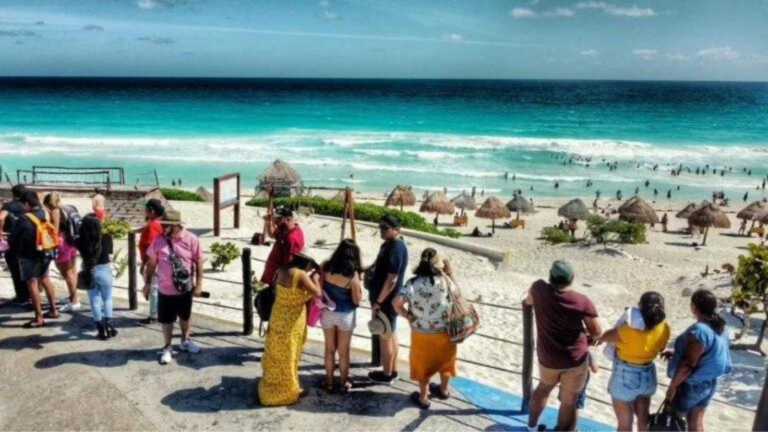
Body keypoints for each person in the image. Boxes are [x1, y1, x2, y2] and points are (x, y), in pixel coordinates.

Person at [523, 260, 602, 432]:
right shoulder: (582, 301)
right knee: (569, 400)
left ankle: (531, 427)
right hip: (575, 359)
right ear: (572, 278)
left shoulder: (538, 288)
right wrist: (589, 338)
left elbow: (528, 299)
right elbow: (596, 331)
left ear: (550, 275)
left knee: (543, 388)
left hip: (548, 356)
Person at [393, 248, 457, 410]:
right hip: (444, 331)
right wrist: (450, 274)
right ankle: (443, 390)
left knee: (423, 364)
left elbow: (396, 303)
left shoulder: (413, 283)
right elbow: (458, 295)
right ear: (438, 265)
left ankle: (423, 397)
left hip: (421, 332)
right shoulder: (446, 281)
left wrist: (407, 315)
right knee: (446, 362)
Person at [662, 289, 731, 432]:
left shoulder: (700, 330)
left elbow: (687, 365)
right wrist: (676, 353)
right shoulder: (721, 327)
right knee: (696, 424)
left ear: (694, 307)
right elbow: (708, 352)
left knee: (674, 423)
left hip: (692, 385)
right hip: (710, 383)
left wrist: (672, 386)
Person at [258, 250, 321, 406]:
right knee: (289, 356)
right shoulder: (300, 274)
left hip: (278, 316)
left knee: (275, 354)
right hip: (291, 322)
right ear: (307, 263)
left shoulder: (282, 269)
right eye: (310, 267)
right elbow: (317, 293)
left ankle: (270, 388)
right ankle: (287, 392)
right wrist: (316, 278)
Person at [600, 292, 670, 432]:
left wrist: (625, 321)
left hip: (625, 375)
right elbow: (661, 347)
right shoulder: (664, 328)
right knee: (643, 421)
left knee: (625, 424)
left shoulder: (629, 330)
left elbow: (606, 337)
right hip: (648, 375)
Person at [142, 210, 204, 365]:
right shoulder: (159, 240)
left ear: (176, 225)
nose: (163, 227)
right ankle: (168, 346)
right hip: (165, 289)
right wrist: (147, 284)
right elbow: (151, 263)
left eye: (166, 225)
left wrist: (199, 285)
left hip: (185, 288)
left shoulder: (192, 239)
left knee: (185, 316)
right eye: (163, 224)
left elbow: (199, 262)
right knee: (167, 320)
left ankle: (185, 341)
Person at [367, 215, 409, 385]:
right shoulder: (389, 245)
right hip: (386, 299)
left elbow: (392, 278)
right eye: (380, 226)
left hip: (385, 300)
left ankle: (386, 374)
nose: (381, 230)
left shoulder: (396, 248)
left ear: (396, 229)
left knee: (385, 337)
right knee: (390, 334)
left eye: (385, 228)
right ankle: (393, 370)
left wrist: (378, 302)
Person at [10, 191, 60, 327]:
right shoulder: (47, 214)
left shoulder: (23, 219)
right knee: (45, 279)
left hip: (29, 255)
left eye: (23, 205)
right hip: (46, 252)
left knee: (32, 284)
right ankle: (53, 310)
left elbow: (12, 239)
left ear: (27, 204)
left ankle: (38, 318)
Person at [319, 239, 363, 394]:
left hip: (327, 312)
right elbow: (357, 300)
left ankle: (329, 382)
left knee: (329, 349)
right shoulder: (352, 275)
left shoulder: (325, 266)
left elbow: (318, 284)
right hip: (345, 315)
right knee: (344, 352)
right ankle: (344, 383)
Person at [75, 214, 117, 340]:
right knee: (107, 298)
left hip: (89, 270)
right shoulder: (106, 237)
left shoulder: (80, 240)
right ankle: (108, 325)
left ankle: (101, 330)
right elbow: (109, 251)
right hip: (104, 270)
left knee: (94, 301)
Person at [43, 193, 80, 312]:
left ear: (48, 204)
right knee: (73, 271)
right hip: (72, 241)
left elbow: (55, 230)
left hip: (62, 242)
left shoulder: (55, 210)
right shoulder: (70, 207)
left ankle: (74, 302)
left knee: (67, 273)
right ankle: (73, 297)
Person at [0, 184, 29, 305]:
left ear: (13, 194)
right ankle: (29, 294)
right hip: (26, 240)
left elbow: (1, 217)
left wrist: (0, 231)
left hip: (12, 240)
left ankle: (21, 297)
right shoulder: (27, 205)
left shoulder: (9, 205)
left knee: (15, 269)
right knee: (26, 269)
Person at [261, 207, 305, 284]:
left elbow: (289, 266)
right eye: (275, 219)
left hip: (277, 281)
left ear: (287, 219)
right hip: (271, 276)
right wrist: (268, 221)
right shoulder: (285, 229)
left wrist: (278, 283)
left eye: (278, 219)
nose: (275, 222)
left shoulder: (291, 239)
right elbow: (272, 234)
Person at [139, 199, 165, 324]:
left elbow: (151, 248)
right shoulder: (160, 222)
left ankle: (154, 316)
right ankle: (160, 313)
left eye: (146, 209)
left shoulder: (153, 226)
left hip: (153, 263)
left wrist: (144, 264)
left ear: (152, 211)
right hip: (161, 262)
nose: (145, 211)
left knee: (153, 288)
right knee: (158, 288)